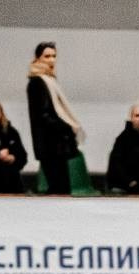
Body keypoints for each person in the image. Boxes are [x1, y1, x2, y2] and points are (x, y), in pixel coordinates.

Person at [26, 41, 84, 195]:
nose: (51, 60)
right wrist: (66, 127)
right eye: (47, 56)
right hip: (49, 143)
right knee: (58, 189)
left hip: (57, 142)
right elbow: (43, 115)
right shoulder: (37, 82)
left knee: (62, 188)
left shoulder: (50, 80)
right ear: (38, 58)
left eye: (54, 56)